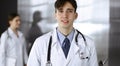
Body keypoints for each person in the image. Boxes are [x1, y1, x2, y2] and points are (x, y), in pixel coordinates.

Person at [27, 0, 98, 66]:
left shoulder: (89, 44)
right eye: (61, 11)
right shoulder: (40, 43)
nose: (65, 16)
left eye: (69, 11)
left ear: (75, 15)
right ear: (55, 15)